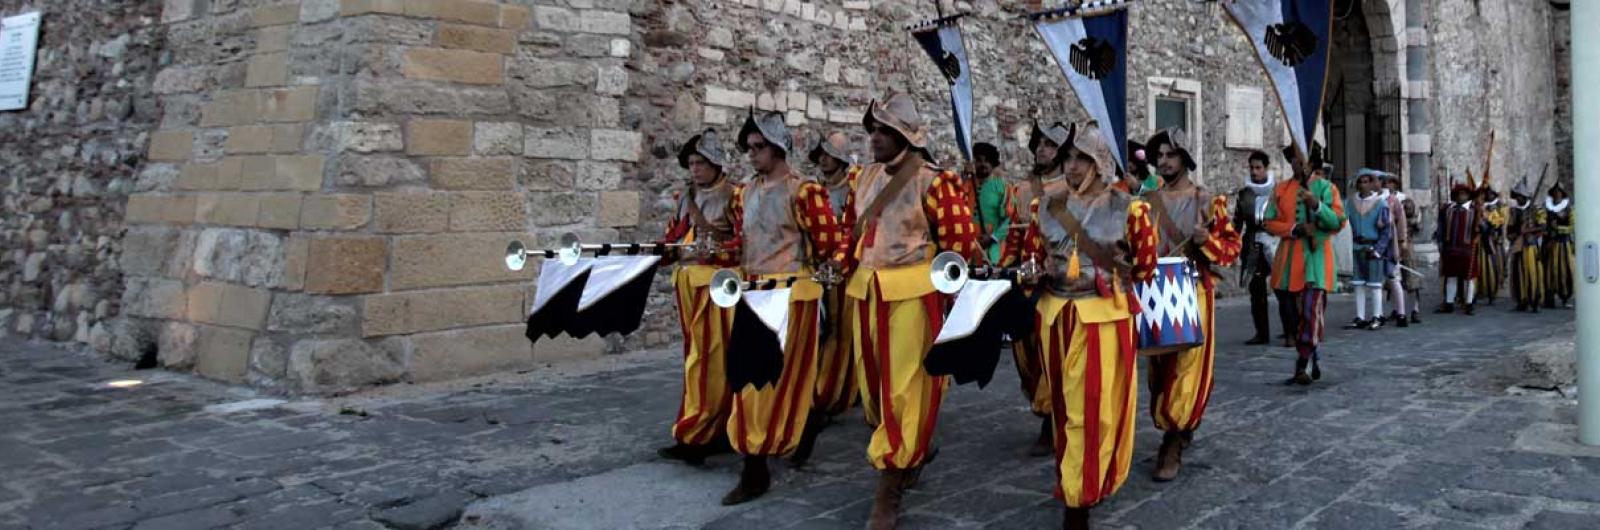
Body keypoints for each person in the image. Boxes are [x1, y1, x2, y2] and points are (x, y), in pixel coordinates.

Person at [836, 93, 980, 529]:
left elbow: (959, 243)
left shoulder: (934, 182)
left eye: (883, 130)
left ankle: (891, 483)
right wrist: (841, 267)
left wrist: (951, 300)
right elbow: (851, 232)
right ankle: (907, 447)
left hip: (913, 296)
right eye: (873, 129)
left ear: (903, 135)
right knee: (874, 387)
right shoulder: (862, 179)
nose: (874, 138)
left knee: (905, 388)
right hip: (867, 291)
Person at [1007, 121, 1157, 530]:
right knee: (1064, 407)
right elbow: (1034, 255)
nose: (1071, 166)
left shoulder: (1130, 209)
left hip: (1101, 318)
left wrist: (1115, 273)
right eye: (1069, 157)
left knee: (1091, 409)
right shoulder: (1045, 206)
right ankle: (1076, 479)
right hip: (1056, 315)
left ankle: (1079, 498)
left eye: (1082, 158)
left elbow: (1145, 267)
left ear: (1100, 162)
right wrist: (1033, 274)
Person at [718, 109, 845, 505]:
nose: (752, 154)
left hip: (793, 295)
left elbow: (830, 243)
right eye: (749, 147)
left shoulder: (804, 191)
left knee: (781, 377)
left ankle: (758, 463)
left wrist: (832, 268)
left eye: (759, 147)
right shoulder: (745, 192)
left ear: (778, 148)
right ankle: (771, 448)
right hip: (752, 292)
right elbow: (744, 241)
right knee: (749, 381)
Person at [1142, 128, 1241, 481]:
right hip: (1153, 290)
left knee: (1188, 365)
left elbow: (1231, 248)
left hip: (1191, 287)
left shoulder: (1206, 200)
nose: (1164, 160)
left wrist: (1207, 240)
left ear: (1184, 157)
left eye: (1170, 154)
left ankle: (1173, 439)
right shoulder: (1146, 199)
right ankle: (1177, 424)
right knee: (1158, 371)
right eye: (1160, 155)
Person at [657, 129, 739, 467]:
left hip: (716, 287)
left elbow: (745, 242)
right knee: (697, 356)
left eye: (701, 162)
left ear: (715, 164)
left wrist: (718, 251)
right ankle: (710, 425)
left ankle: (699, 431)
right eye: (690, 163)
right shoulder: (684, 196)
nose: (694, 169)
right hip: (687, 283)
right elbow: (674, 235)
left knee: (708, 360)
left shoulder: (735, 196)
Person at [1002, 121, 1080, 457]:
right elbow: (1015, 237)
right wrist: (1005, 269)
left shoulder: (1073, 189)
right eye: (1040, 143)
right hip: (1025, 279)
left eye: (1050, 145)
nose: (1042, 149)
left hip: (1058, 284)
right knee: (1025, 354)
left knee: (1053, 355)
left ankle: (1053, 421)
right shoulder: (1021, 189)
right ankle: (1043, 409)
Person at [789, 131, 864, 466]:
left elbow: (853, 229)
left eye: (828, 154)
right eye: (820, 154)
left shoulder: (855, 188)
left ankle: (830, 395)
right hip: (816, 267)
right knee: (820, 335)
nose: (822, 159)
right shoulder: (814, 191)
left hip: (844, 268)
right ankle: (820, 392)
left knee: (839, 333)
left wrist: (840, 256)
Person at [1264, 144, 1346, 385]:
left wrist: (1317, 207)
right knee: (1297, 314)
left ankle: (1303, 362)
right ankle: (1313, 355)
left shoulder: (1327, 188)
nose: (1297, 165)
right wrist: (1291, 229)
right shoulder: (1281, 189)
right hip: (1289, 263)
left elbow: (1338, 221)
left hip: (1317, 262)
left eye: (1302, 160)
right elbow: (1269, 221)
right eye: (1294, 160)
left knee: (1311, 312)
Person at [1235, 150, 1277, 344]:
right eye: (1251, 168)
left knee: (1285, 290)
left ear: (1266, 168)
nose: (1254, 172)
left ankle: (1293, 330)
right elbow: (1237, 223)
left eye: (1258, 167)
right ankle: (1262, 332)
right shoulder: (1244, 195)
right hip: (1252, 243)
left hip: (1275, 241)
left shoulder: (1278, 191)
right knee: (1256, 289)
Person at [1344, 169, 1394, 330]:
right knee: (1358, 284)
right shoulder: (1350, 203)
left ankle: (1377, 315)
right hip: (1357, 247)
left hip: (1373, 247)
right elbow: (1344, 224)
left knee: (1375, 284)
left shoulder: (1380, 203)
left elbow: (1386, 230)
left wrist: (1379, 249)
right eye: (1361, 181)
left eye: (1367, 181)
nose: (1364, 185)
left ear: (1372, 183)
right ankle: (1360, 316)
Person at [1434, 177, 1482, 315]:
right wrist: (1441, 242)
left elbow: (1483, 227)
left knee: (1469, 278)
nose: (1461, 196)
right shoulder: (1448, 209)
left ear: (1468, 196)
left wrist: (1480, 227)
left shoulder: (1474, 211)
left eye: (1464, 194)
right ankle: (1449, 303)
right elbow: (1441, 227)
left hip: (1467, 249)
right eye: (1458, 194)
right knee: (1451, 276)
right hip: (1450, 249)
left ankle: (1469, 303)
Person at [964, 142, 1012, 264]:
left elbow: (1011, 218)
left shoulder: (1002, 187)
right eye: (979, 160)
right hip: (967, 251)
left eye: (987, 161)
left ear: (993, 163)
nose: (983, 164)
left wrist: (993, 238)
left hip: (992, 252)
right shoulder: (964, 185)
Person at [1379, 173, 1415, 327]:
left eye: (1391, 182)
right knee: (1382, 282)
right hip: (1380, 244)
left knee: (1406, 280)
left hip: (1397, 243)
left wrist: (1402, 242)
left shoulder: (1400, 199)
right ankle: (1381, 313)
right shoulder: (1378, 199)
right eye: (1386, 182)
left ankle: (1411, 310)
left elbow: (1406, 221)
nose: (1388, 185)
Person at [1508, 177, 1546, 312]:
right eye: (1517, 196)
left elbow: (1542, 226)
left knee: (1533, 274)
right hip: (1519, 246)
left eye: (1520, 196)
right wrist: (1515, 234)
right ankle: (1521, 301)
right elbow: (1510, 230)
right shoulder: (1513, 211)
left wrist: (1529, 230)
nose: (1518, 199)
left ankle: (1534, 301)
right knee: (1518, 274)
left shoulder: (1535, 210)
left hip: (1531, 246)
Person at [1474, 181, 1508, 306]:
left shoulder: (1498, 206)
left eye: (1489, 193)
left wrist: (1490, 223)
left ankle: (1492, 291)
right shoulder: (1477, 207)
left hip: (1492, 241)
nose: (1488, 195)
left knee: (1493, 266)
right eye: (1485, 194)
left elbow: (1500, 222)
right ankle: (1478, 291)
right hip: (1479, 242)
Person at [1542, 182, 1574, 309]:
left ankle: (1565, 297)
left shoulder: (1568, 208)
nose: (1557, 194)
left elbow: (1571, 226)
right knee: (1549, 271)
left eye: (1559, 191)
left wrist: (1559, 229)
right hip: (1550, 243)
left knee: (1564, 271)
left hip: (1563, 244)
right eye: (1555, 192)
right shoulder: (1547, 207)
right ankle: (1549, 299)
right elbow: (1543, 222)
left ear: (1562, 193)